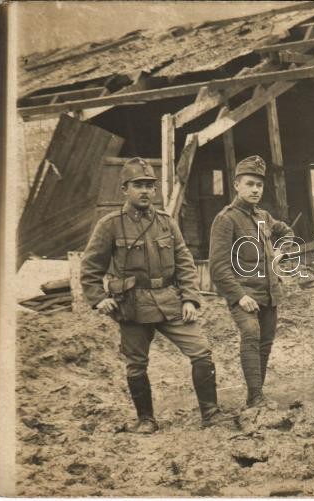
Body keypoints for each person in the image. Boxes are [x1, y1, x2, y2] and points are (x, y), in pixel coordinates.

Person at [81, 157, 228, 432]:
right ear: (125, 189)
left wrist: (190, 298)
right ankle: (146, 419)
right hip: (132, 306)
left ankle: (210, 413)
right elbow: (90, 267)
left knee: (201, 352)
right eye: (138, 185)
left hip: (169, 301)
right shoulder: (110, 225)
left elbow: (184, 261)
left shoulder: (166, 222)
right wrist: (99, 298)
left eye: (150, 185)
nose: (145, 191)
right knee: (136, 364)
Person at [209, 155, 294, 408]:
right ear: (236, 185)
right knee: (251, 333)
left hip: (270, 293)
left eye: (259, 185)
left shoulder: (264, 217)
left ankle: (254, 397)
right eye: (249, 184)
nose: (255, 189)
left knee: (265, 343)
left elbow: (287, 232)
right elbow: (218, 267)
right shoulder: (226, 219)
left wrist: (281, 251)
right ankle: (256, 398)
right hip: (244, 293)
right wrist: (239, 296)